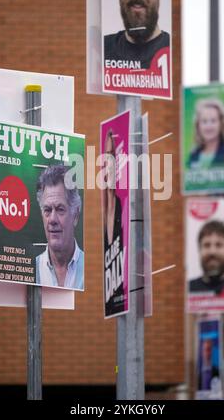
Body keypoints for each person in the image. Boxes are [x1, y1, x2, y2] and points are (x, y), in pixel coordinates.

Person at [35, 164, 84, 289]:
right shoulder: (31, 269)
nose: (52, 219)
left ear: (76, 215)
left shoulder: (91, 268)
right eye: (47, 210)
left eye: (60, 209)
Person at [103, 130, 125, 315]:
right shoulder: (103, 211)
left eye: (112, 156)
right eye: (105, 157)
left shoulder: (123, 207)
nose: (107, 164)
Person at [189, 220, 224, 295]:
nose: (212, 252)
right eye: (207, 245)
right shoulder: (187, 289)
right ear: (199, 250)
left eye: (219, 245)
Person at [188, 98, 224, 169]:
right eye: (204, 121)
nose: (209, 126)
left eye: (213, 121)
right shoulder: (193, 156)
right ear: (198, 125)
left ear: (221, 124)